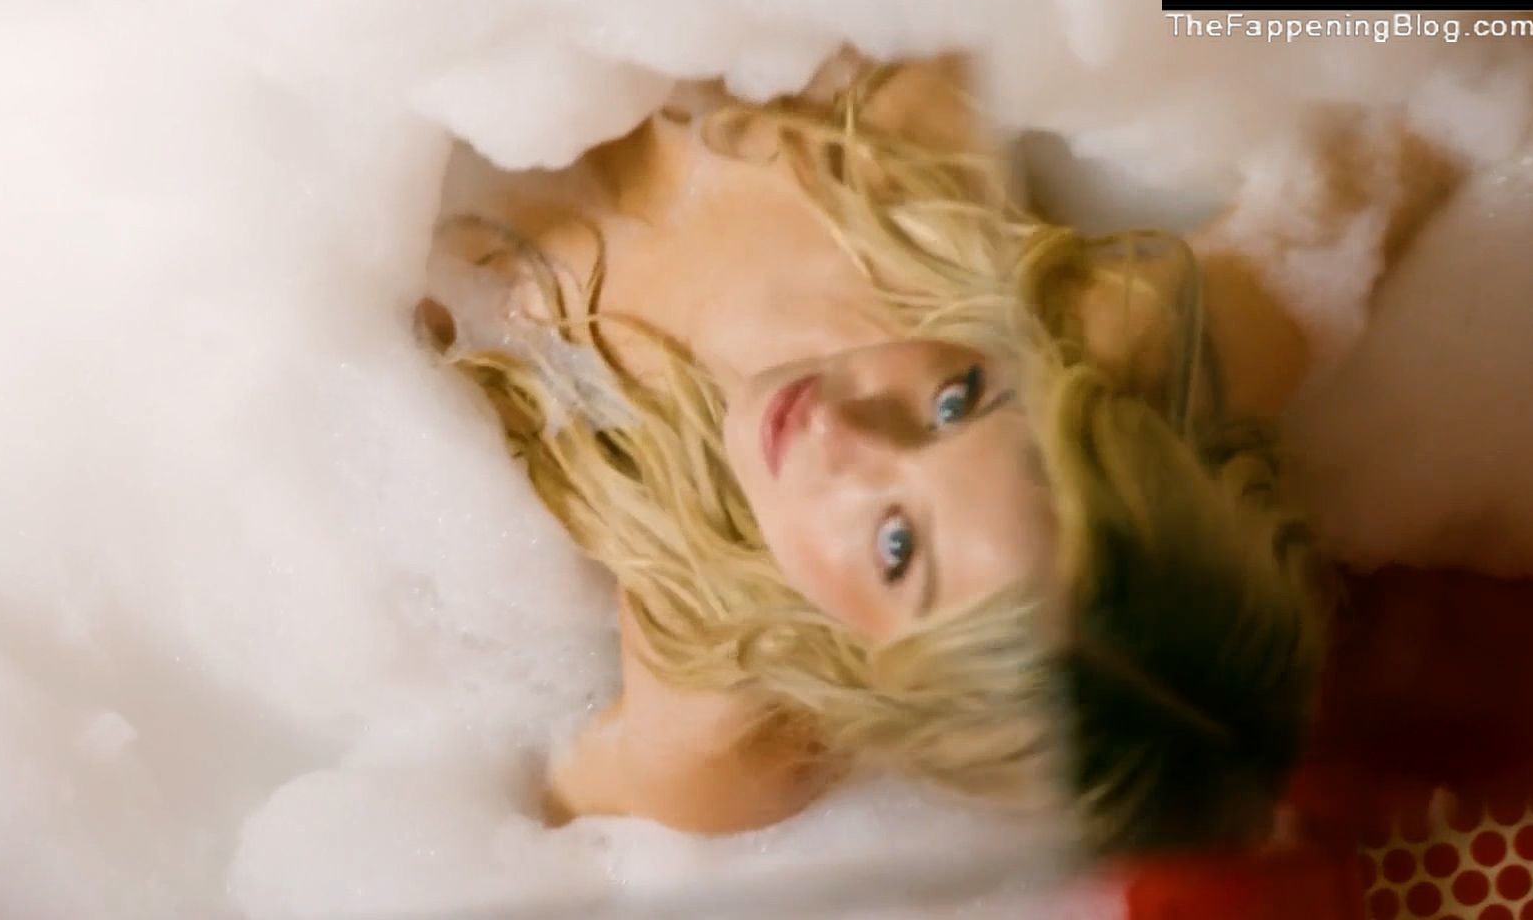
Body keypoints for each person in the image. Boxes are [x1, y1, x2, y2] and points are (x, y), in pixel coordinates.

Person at [418, 56, 1461, 855]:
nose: (846, 436)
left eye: (896, 546)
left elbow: (517, 830)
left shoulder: (718, 704)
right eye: (956, 403)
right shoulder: (1009, 259)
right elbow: (1414, 141)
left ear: (874, 677)